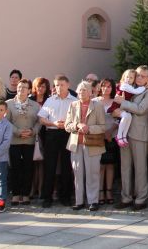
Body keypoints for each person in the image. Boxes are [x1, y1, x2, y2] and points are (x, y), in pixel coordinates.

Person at [113, 65, 148, 210]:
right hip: (124, 133)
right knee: (125, 167)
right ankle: (126, 197)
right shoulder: (127, 88)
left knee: (140, 168)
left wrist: (122, 103)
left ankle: (141, 198)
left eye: (143, 76)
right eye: (137, 75)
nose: (139, 78)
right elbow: (116, 109)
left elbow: (141, 110)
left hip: (139, 134)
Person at [65, 80, 105, 211]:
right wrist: (76, 125)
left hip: (92, 145)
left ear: (90, 92)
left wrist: (89, 128)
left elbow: (103, 127)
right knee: (77, 173)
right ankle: (79, 201)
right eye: (80, 90)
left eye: (85, 90)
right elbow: (67, 125)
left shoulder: (97, 105)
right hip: (76, 144)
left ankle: (93, 201)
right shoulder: (73, 105)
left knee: (92, 173)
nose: (82, 92)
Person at [38, 74, 76, 208]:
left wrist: (67, 124)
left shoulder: (74, 100)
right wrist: (54, 123)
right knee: (50, 166)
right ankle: (47, 197)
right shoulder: (50, 100)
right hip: (52, 134)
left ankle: (65, 196)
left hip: (67, 134)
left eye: (62, 85)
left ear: (68, 85)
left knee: (66, 166)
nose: (59, 88)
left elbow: (78, 119)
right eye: (57, 85)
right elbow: (41, 118)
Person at [6, 78, 41, 205]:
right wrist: (17, 131)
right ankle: (15, 193)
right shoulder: (9, 104)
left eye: (24, 88)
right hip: (15, 140)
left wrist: (33, 131)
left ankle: (25, 193)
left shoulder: (35, 105)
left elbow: (39, 122)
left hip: (29, 140)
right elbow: (6, 121)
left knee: (28, 168)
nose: (21, 90)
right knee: (15, 167)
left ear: (29, 90)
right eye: (19, 87)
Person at [95, 78, 119, 205]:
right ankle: (100, 191)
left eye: (109, 86)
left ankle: (109, 191)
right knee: (100, 166)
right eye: (104, 86)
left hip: (112, 136)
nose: (106, 88)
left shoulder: (116, 101)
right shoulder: (94, 101)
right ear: (100, 87)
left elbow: (120, 119)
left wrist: (110, 131)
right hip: (97, 137)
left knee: (110, 165)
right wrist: (103, 132)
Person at [114, 69, 143, 147]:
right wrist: (145, 87)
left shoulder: (130, 86)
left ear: (134, 80)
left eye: (131, 78)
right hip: (116, 106)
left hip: (122, 106)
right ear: (123, 77)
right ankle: (119, 136)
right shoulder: (124, 85)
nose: (128, 79)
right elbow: (136, 91)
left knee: (129, 117)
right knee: (126, 116)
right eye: (127, 77)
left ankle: (124, 135)